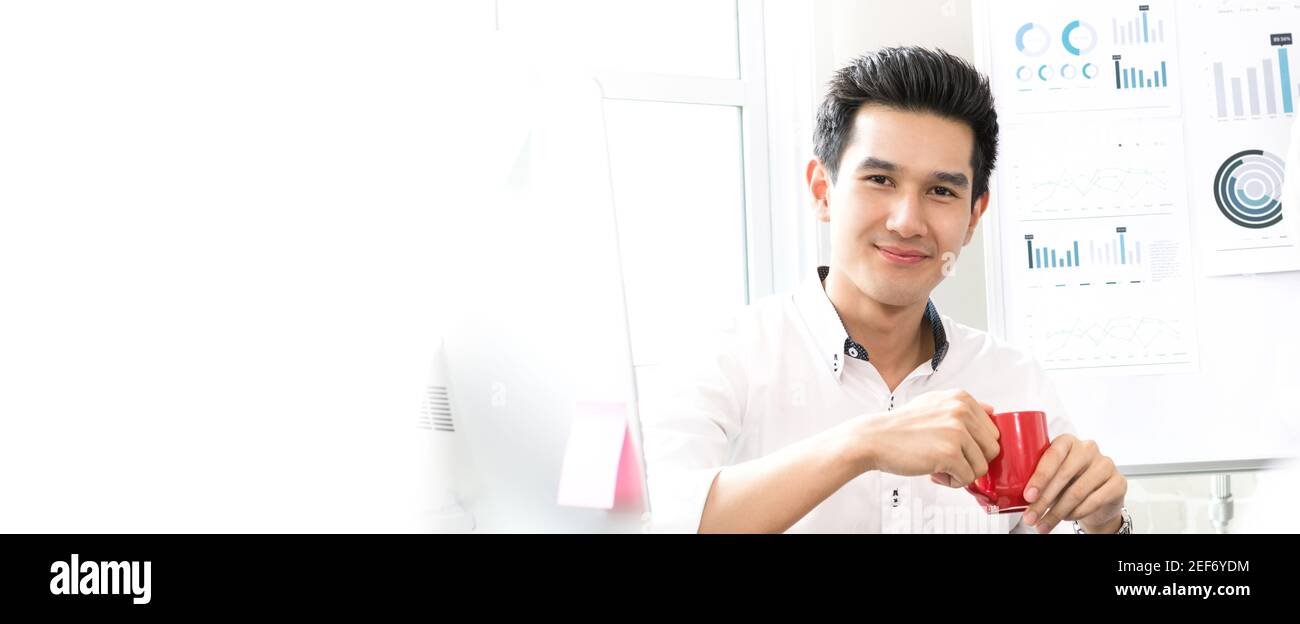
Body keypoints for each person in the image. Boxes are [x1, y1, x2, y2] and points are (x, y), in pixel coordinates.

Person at [642, 47, 1130, 534]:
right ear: (822, 190)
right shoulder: (726, 357)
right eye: (879, 179)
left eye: (941, 191)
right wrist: (864, 443)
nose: (907, 221)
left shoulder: (1012, 378)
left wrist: (1105, 525)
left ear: (973, 217)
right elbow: (667, 523)